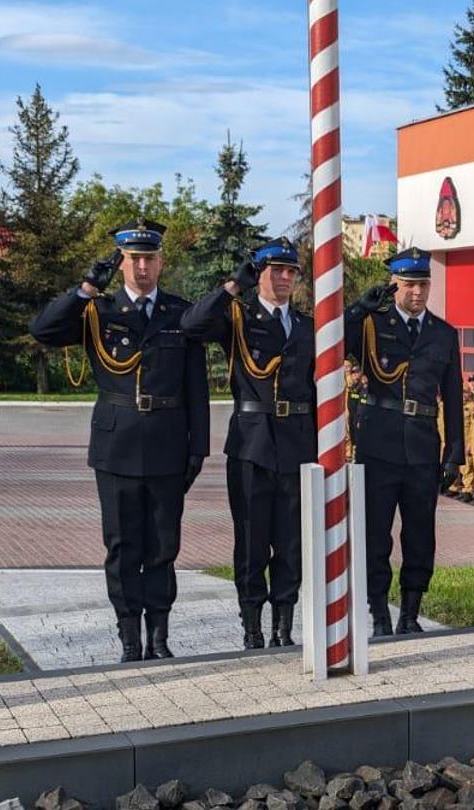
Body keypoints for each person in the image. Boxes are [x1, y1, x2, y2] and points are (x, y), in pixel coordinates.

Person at [30, 218, 210, 662]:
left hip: (169, 442)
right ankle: (130, 637)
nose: (142, 267)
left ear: (161, 262)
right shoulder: (98, 311)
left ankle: (160, 636)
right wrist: (86, 289)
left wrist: (198, 446)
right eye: (134, 259)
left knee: (164, 545)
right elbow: (43, 331)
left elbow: (196, 388)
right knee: (123, 545)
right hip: (116, 446)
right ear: (121, 262)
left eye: (150, 258)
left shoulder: (180, 314)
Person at [182, 237, 314, 650]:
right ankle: (253, 625)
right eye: (275, 270)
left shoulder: (309, 326)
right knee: (252, 540)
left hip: (297, 445)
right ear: (259, 274)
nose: (284, 278)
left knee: (292, 543)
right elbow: (191, 325)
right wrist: (231, 288)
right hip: (251, 445)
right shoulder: (237, 318)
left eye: (290, 271)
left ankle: (284, 625)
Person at [343, 247, 463, 635]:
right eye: (409, 285)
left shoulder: (444, 334)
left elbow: (454, 395)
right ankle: (378, 613)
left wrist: (454, 454)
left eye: (423, 284)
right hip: (378, 443)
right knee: (375, 533)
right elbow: (330, 342)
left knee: (420, 534)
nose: (417, 293)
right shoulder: (371, 326)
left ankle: (410, 613)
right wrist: (359, 308)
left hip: (423, 447)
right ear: (395, 285)